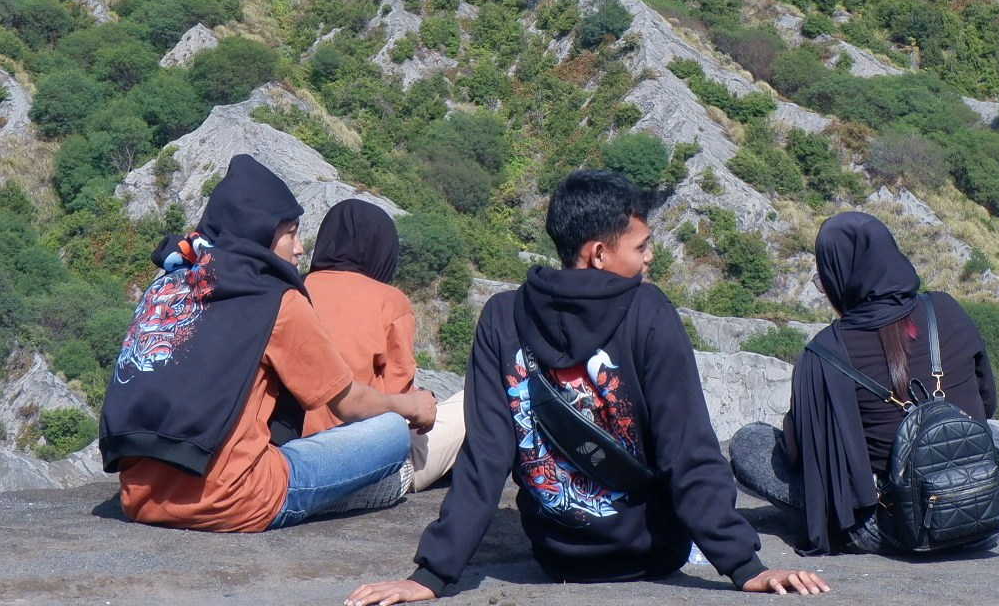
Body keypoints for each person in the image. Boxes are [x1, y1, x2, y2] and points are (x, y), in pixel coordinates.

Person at [347, 170, 828, 604]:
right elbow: (689, 451)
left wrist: (433, 575)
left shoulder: (502, 316)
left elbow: (486, 457)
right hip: (654, 554)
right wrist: (745, 567)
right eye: (641, 246)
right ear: (598, 253)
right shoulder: (648, 311)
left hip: (555, 557)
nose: (650, 257)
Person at [104, 155, 438, 533]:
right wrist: (411, 407)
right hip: (238, 498)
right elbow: (350, 402)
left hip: (141, 498)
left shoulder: (169, 283)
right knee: (392, 434)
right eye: (292, 233)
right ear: (262, 232)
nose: (299, 249)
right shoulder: (275, 299)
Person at [726, 212, 998, 554]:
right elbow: (986, 405)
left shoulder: (824, 353)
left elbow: (800, 455)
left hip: (888, 529)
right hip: (978, 510)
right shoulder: (946, 308)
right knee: (997, 438)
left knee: (749, 442)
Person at [302, 197, 465, 491]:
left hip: (296, 456)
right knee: (473, 401)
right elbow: (399, 399)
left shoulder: (294, 289)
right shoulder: (389, 301)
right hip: (365, 461)